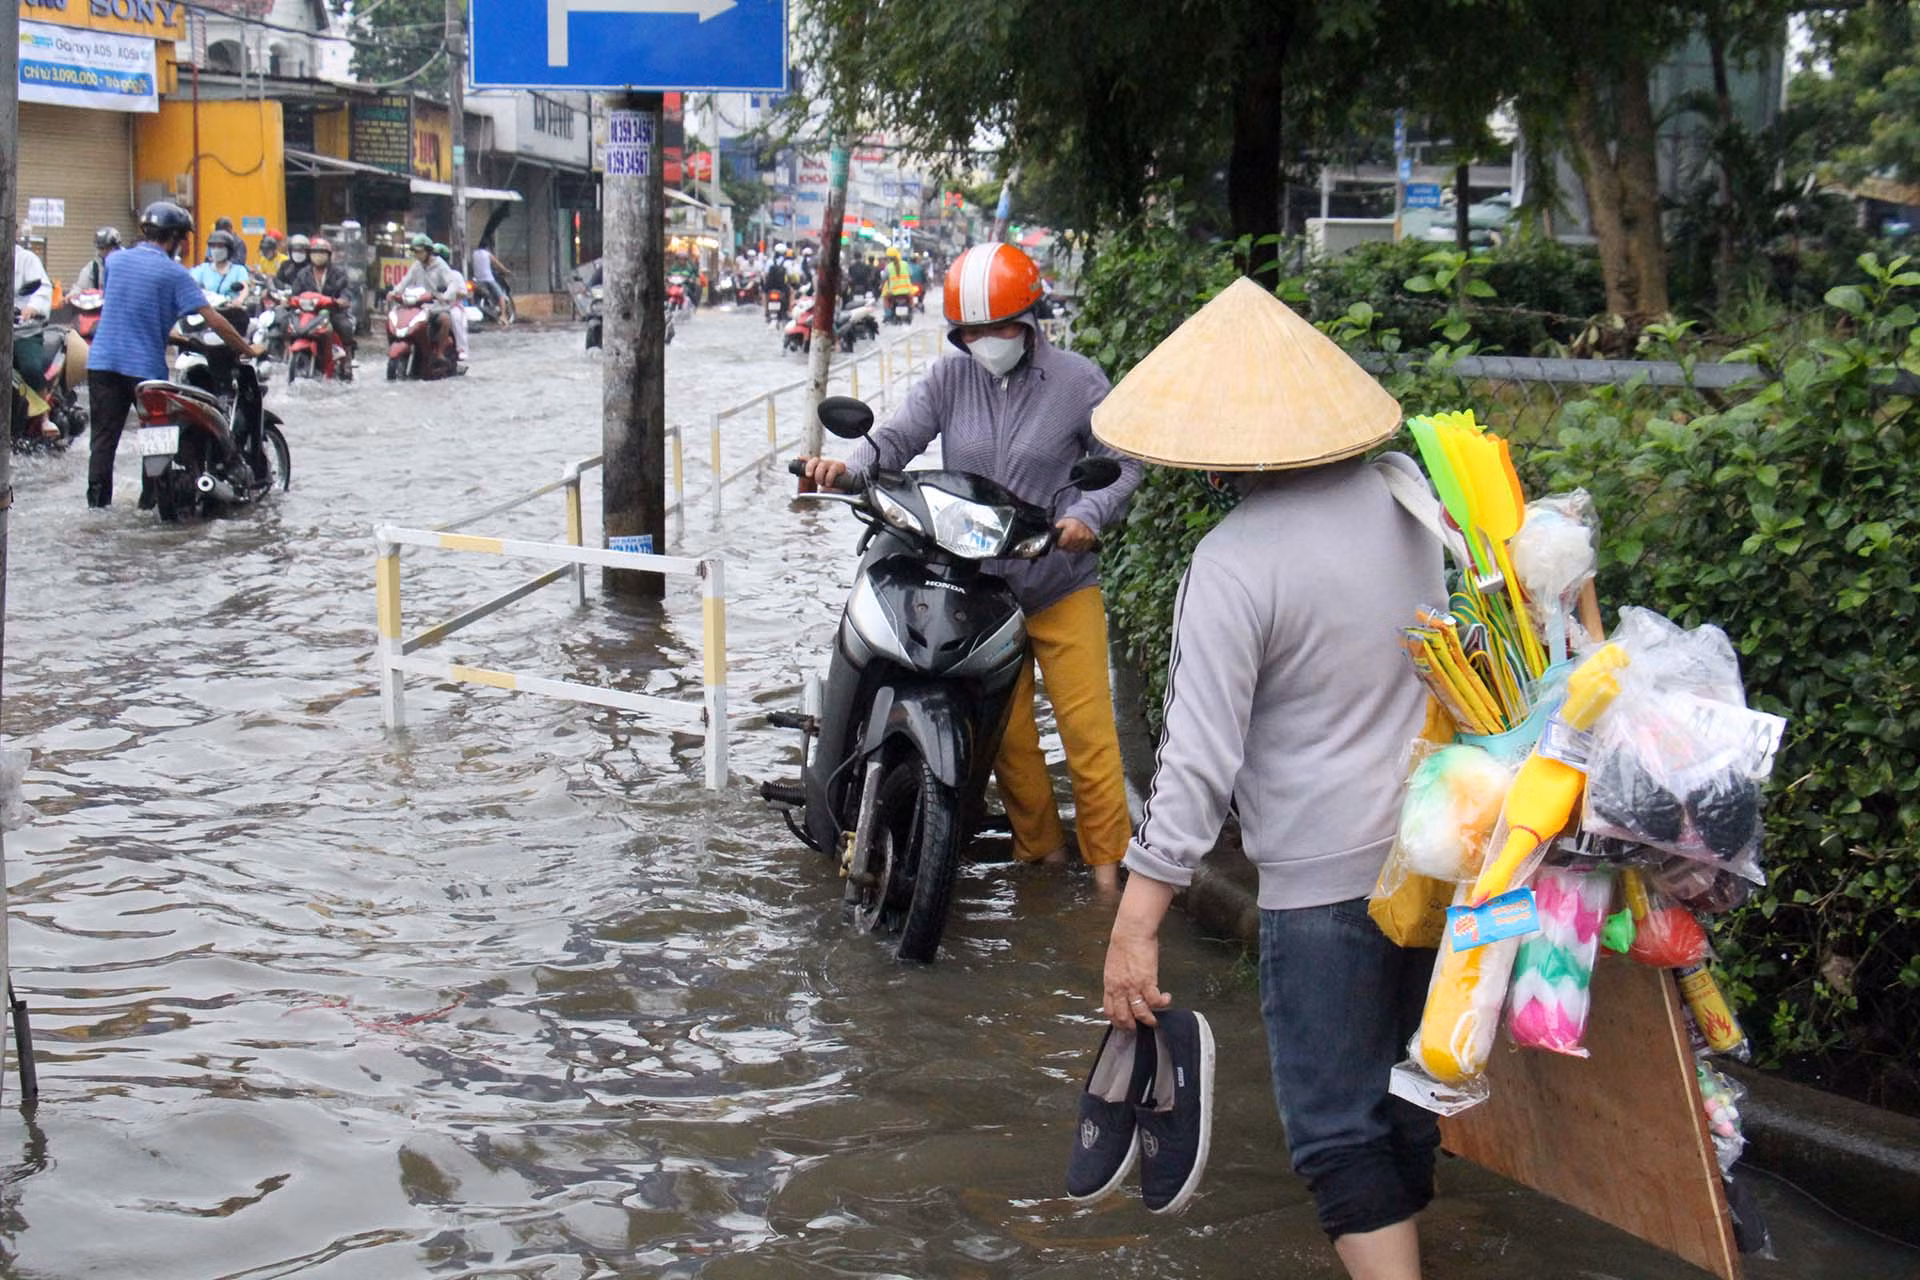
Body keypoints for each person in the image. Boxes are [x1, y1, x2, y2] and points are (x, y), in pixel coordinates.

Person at [1095, 280, 1446, 1280]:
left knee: (1337, 1132)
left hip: (1325, 890)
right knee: (1410, 1098)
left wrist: (1136, 916)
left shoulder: (1234, 561)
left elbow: (1197, 768)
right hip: (1441, 855)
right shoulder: (1412, 498)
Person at [800, 243, 1143, 890]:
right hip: (984, 590)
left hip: (1061, 581)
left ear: (1030, 319)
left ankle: (1106, 878)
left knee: (1089, 737)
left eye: (1000, 327)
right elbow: (896, 440)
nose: (986, 340)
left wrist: (1087, 516)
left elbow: (1122, 462)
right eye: (972, 330)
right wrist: (844, 470)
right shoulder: (946, 379)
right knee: (1009, 743)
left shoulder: (1078, 381)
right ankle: (1040, 858)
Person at [85, 202, 261, 509]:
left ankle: (96, 508)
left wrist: (178, 338)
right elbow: (215, 320)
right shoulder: (175, 273)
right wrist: (247, 348)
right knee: (156, 439)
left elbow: (128, 313)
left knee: (102, 442)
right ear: (177, 237)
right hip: (144, 370)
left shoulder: (114, 262)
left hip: (101, 362)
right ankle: (150, 503)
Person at [395, 234, 465, 366]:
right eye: (415, 252)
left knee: (445, 320)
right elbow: (405, 281)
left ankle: (439, 352)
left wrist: (445, 296)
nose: (417, 255)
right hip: (419, 307)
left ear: (428, 251)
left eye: (419, 251)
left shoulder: (440, 265)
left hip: (437, 308)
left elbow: (452, 284)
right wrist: (394, 292)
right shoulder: (417, 265)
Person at [288, 236, 358, 368]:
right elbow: (295, 292)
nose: (318, 256)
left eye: (322, 253)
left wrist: (343, 300)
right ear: (310, 255)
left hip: (332, 312)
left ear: (328, 255)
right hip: (308, 313)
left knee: (345, 326)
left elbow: (346, 289)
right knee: (290, 324)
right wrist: (290, 300)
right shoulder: (303, 274)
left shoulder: (338, 273)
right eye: (315, 253)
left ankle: (347, 359)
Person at [12, 234, 56, 441]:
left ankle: (44, 416)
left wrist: (32, 307)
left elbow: (42, 288)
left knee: (30, 367)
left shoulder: (26, 259)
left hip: (23, 332)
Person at [190, 229, 252, 306]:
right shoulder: (203, 269)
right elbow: (191, 283)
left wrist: (240, 300)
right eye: (213, 246)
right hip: (209, 311)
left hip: (230, 311)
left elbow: (244, 288)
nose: (216, 250)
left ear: (229, 249)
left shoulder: (239, 270)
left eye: (220, 246)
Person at [433, 241, 471, 364]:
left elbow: (464, 293)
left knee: (455, 318)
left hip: (452, 306)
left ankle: (461, 349)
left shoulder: (455, 275)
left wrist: (450, 293)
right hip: (432, 306)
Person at [470, 240, 512, 315]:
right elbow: (498, 264)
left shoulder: (474, 254)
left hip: (477, 280)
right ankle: (503, 316)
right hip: (488, 280)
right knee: (500, 296)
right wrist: (506, 271)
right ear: (487, 247)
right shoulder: (487, 254)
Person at [74, 227, 121, 292]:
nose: (105, 251)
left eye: (108, 248)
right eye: (101, 248)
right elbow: (80, 287)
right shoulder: (94, 266)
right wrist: (72, 296)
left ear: (117, 247)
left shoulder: (127, 265)